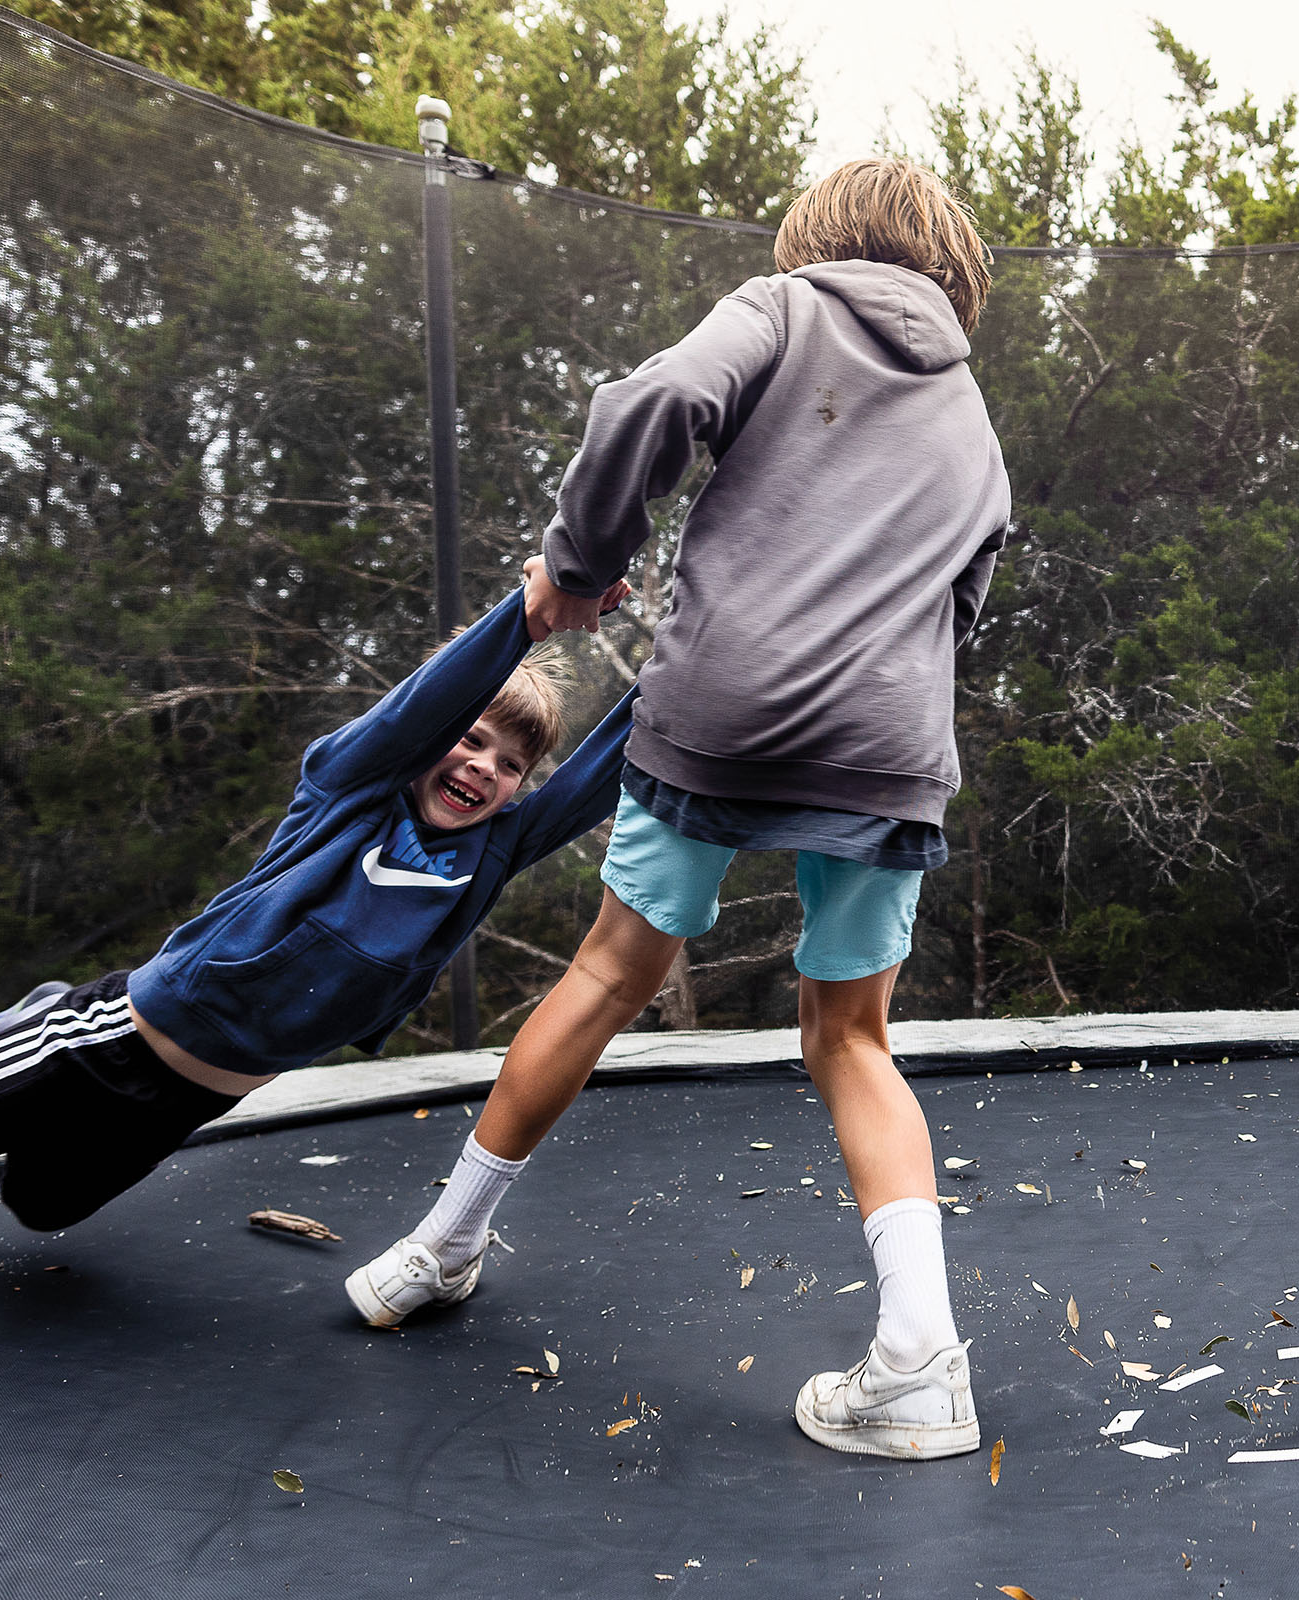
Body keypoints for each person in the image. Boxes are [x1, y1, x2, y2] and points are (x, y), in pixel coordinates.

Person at [346, 157, 1010, 1463]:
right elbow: (971, 574)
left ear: (814, 236)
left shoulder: (779, 306)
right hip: (887, 741)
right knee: (853, 1040)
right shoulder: (962, 399)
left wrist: (583, 566)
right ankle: (925, 1368)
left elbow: (651, 400)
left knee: (604, 973)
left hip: (726, 710)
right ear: (951, 275)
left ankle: (437, 1247)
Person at [0, 562, 635, 1230]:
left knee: (42, 1206)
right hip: (99, 1044)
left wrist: (699, 677)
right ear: (432, 737)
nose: (483, 769)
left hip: (189, 1099)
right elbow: (415, 713)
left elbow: (598, 776)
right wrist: (527, 618)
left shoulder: (491, 853)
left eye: (509, 765)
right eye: (470, 740)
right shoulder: (350, 792)